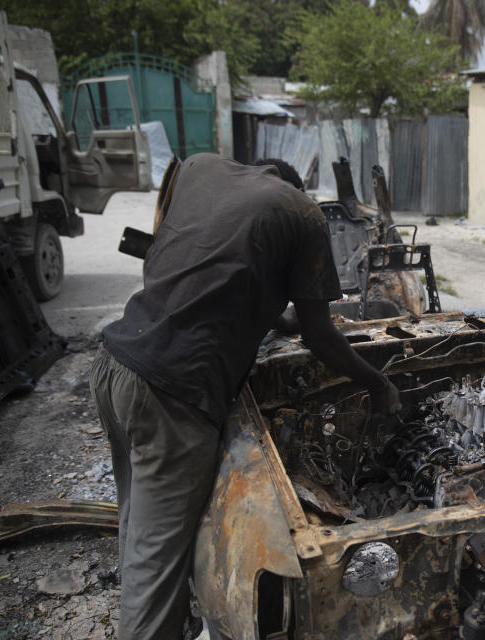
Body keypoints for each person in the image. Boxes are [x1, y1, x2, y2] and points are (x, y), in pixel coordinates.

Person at [88, 153, 401, 639]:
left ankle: (171, 617)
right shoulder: (301, 211)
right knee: (157, 568)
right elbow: (321, 339)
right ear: (293, 186)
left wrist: (278, 318)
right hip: (173, 396)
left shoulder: (199, 168)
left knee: (141, 530)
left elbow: (206, 264)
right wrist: (377, 384)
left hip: (114, 364)